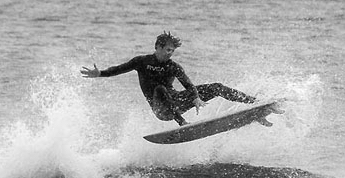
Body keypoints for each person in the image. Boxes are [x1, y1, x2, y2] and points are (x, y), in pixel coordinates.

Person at [81, 32, 260, 126]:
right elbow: (118, 69)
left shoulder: (173, 66)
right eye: (167, 50)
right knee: (160, 89)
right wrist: (100, 74)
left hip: (177, 102)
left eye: (172, 51)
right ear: (158, 47)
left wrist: (196, 97)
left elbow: (188, 84)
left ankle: (254, 103)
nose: (170, 53)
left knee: (216, 87)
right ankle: (182, 123)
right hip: (162, 109)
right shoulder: (141, 62)